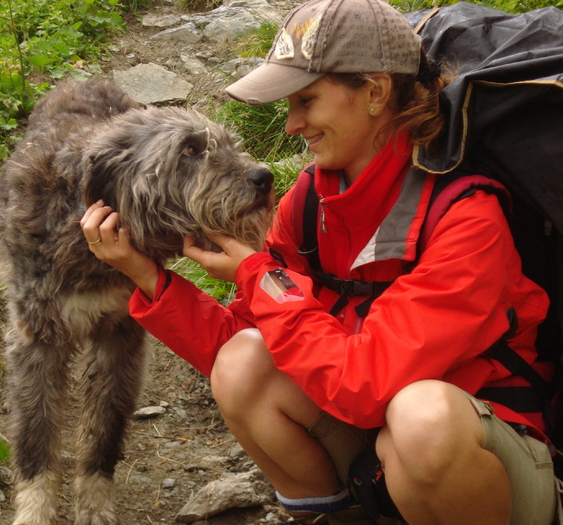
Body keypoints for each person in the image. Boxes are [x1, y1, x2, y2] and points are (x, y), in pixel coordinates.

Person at [80, 0, 561, 522]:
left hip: (492, 465)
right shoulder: (311, 201)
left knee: (421, 418)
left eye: (306, 100)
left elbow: (369, 388)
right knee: (244, 364)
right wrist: (147, 276)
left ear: (375, 92)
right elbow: (255, 341)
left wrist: (258, 277)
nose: (291, 125)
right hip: (382, 446)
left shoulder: (467, 220)